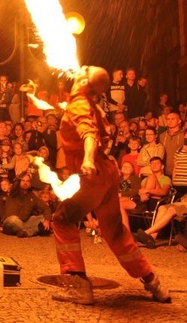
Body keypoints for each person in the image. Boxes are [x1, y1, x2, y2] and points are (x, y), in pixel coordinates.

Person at [50, 66, 170, 305]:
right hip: (107, 172)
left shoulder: (80, 105)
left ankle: (78, 284)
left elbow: (89, 134)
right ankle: (152, 281)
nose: (79, 68)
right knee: (114, 231)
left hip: (93, 173)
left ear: (84, 82)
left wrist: (85, 159)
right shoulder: (92, 104)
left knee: (62, 219)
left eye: (85, 70)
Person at [0, 172, 51, 238]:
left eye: (27, 181)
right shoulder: (13, 191)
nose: (25, 183)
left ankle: (26, 232)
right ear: (19, 182)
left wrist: (46, 220)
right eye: (23, 180)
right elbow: (15, 181)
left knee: (43, 218)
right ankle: (33, 230)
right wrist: (25, 172)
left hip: (24, 222)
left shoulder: (32, 196)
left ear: (30, 183)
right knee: (14, 219)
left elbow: (46, 208)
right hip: (10, 222)